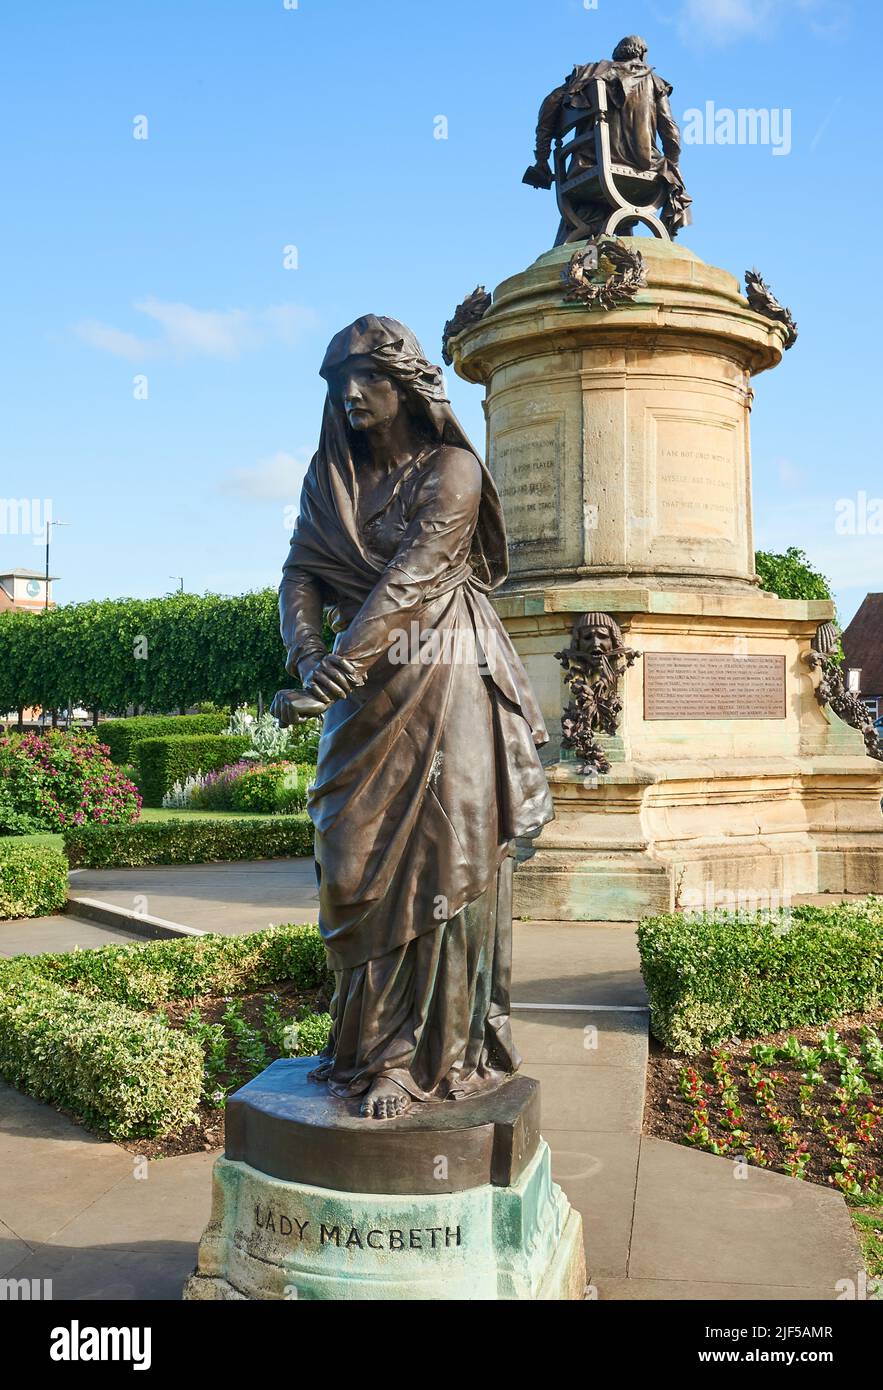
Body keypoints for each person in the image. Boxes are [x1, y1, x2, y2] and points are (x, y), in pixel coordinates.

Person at [272, 315, 553, 1119]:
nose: (352, 395)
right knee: (351, 855)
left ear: (408, 386)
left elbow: (412, 578)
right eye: (338, 383)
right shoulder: (330, 480)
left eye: (369, 378)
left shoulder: (453, 469)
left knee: (440, 858)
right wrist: (304, 659)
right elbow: (299, 574)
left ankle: (417, 1058)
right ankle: (359, 1044)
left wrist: (330, 679)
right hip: (362, 696)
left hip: (447, 681)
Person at [523, 35, 692, 241]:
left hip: (586, 167)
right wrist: (673, 165)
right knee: (671, 172)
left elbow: (549, 108)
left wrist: (542, 160)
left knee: (588, 210)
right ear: (642, 55)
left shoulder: (590, 74)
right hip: (644, 166)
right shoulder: (655, 83)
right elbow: (671, 133)